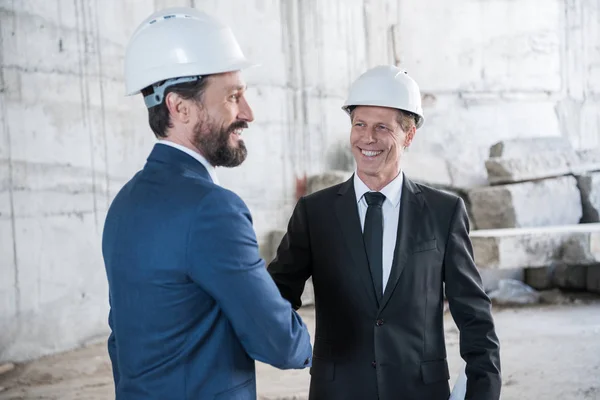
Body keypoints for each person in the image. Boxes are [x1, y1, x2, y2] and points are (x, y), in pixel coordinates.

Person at [102, 7, 312, 399]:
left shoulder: (124, 204)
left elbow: (123, 338)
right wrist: (326, 346)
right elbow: (278, 342)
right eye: (233, 97)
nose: (248, 113)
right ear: (180, 107)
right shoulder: (213, 209)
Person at [268, 65, 501, 400]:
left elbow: (475, 317)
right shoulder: (314, 213)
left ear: (409, 135)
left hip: (420, 391)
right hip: (337, 391)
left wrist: (482, 392)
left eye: (382, 127)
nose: (368, 138)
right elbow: (275, 297)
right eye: (359, 124)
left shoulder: (443, 212)